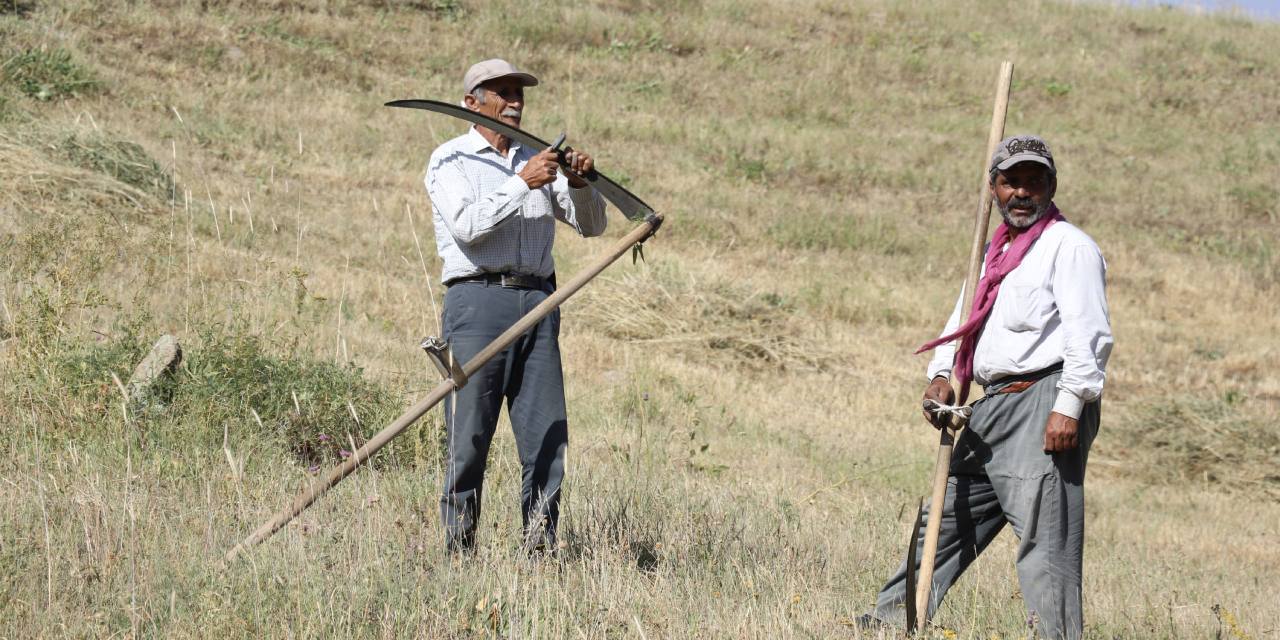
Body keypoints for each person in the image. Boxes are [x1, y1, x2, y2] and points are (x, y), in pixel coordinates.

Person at [864, 135, 1113, 640]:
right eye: (1010, 181)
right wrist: (941, 375)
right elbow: (964, 321)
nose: (1022, 192)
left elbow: (1089, 335)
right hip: (992, 404)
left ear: (1052, 187)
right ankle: (890, 623)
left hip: (1044, 396)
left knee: (1046, 542)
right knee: (945, 516)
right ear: (994, 189)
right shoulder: (993, 251)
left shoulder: (1070, 247)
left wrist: (1068, 406)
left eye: (1033, 181)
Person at [424, 58, 607, 553]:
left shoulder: (539, 159)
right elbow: (466, 227)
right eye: (501, 92)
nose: (515, 102)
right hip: (478, 300)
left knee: (547, 436)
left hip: (540, 304)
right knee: (469, 439)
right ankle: (458, 554)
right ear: (472, 102)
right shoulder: (450, 160)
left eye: (518, 93)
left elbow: (592, 227)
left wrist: (579, 184)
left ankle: (539, 551)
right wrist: (521, 182)